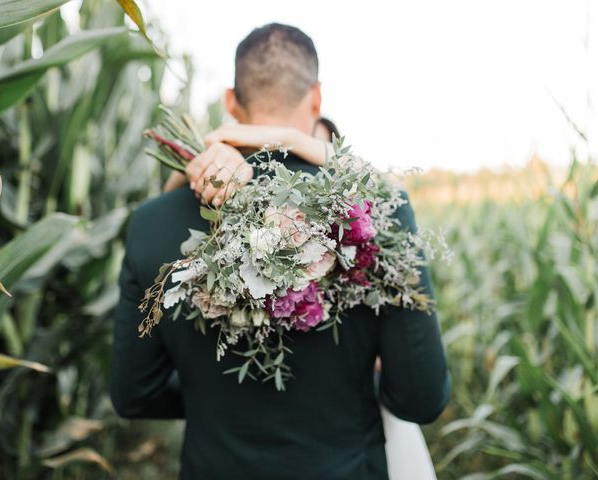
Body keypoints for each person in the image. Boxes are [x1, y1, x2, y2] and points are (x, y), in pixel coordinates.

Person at [111, 23, 451, 480]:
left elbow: (135, 394)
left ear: (232, 102)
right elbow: (421, 397)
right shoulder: (375, 213)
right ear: (316, 98)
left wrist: (206, 393)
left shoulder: (151, 225)